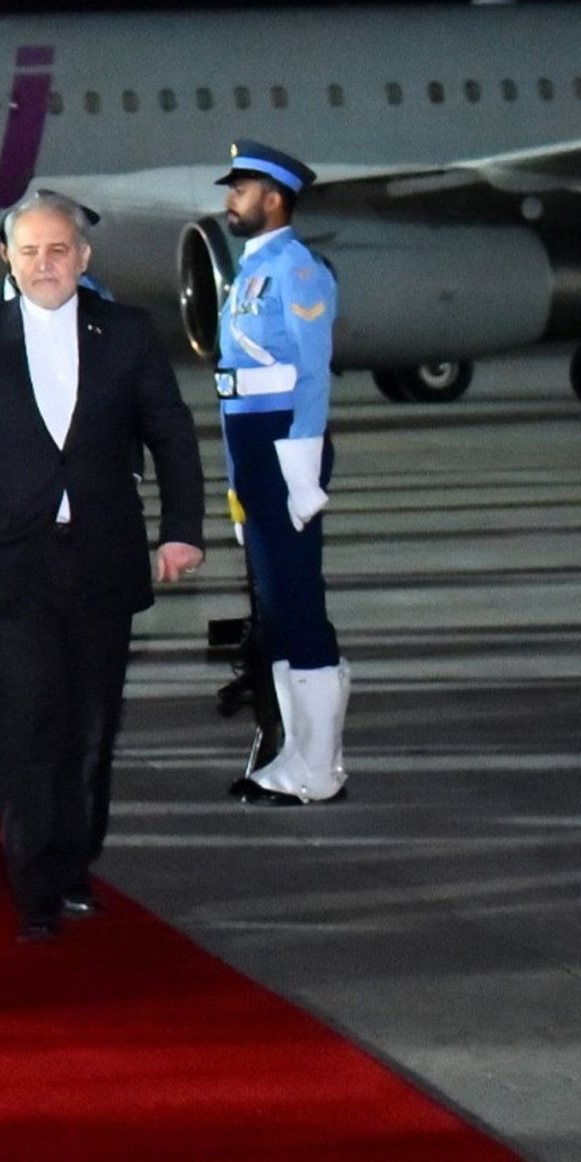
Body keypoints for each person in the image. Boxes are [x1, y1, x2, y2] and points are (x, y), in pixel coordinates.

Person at [0, 189, 206, 940]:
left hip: (102, 559)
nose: (44, 264)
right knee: (26, 725)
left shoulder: (127, 333)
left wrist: (182, 530)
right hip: (9, 563)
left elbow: (170, 432)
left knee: (90, 725)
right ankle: (34, 888)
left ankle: (76, 862)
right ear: (6, 260)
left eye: (58, 250)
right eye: (30, 251)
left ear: (83, 257)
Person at [213, 141, 350, 808]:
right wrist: (236, 480)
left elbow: (312, 373)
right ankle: (295, 753)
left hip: (284, 443)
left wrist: (302, 468)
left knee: (297, 603)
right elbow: (231, 385)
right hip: (254, 446)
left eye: (239, 190)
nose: (229, 201)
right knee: (275, 607)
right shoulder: (251, 271)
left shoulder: (297, 270)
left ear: (273, 199)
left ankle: (319, 767)